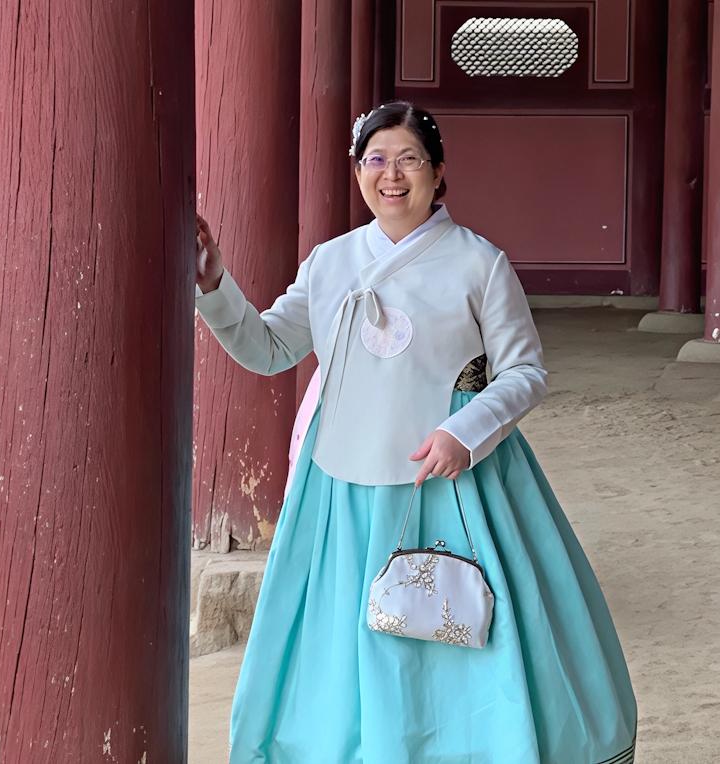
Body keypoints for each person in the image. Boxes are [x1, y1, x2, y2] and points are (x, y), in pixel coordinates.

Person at [194, 101, 637, 763]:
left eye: (409, 160)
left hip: (451, 479)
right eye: (376, 160)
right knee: (344, 635)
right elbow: (268, 348)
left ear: (438, 172)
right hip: (342, 485)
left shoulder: (479, 263)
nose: (392, 175)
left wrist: (465, 431)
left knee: (457, 626)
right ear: (358, 172)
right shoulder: (330, 262)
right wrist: (214, 286)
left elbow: (525, 371)